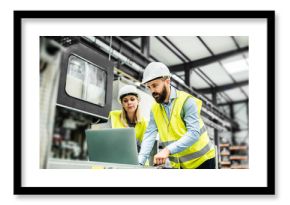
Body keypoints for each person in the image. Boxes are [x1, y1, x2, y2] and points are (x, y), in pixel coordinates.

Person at [138, 62, 216, 169]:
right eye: (149, 87)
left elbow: (193, 133)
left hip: (203, 161)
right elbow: (149, 136)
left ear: (167, 81)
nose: (152, 91)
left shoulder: (186, 101)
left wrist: (167, 150)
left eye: (155, 85)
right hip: (180, 165)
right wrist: (139, 163)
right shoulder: (154, 109)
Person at [108, 85, 148, 152]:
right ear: (122, 104)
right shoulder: (113, 116)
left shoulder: (144, 123)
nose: (129, 102)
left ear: (138, 101)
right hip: (115, 154)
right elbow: (108, 139)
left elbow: (145, 149)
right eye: (125, 101)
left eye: (132, 99)